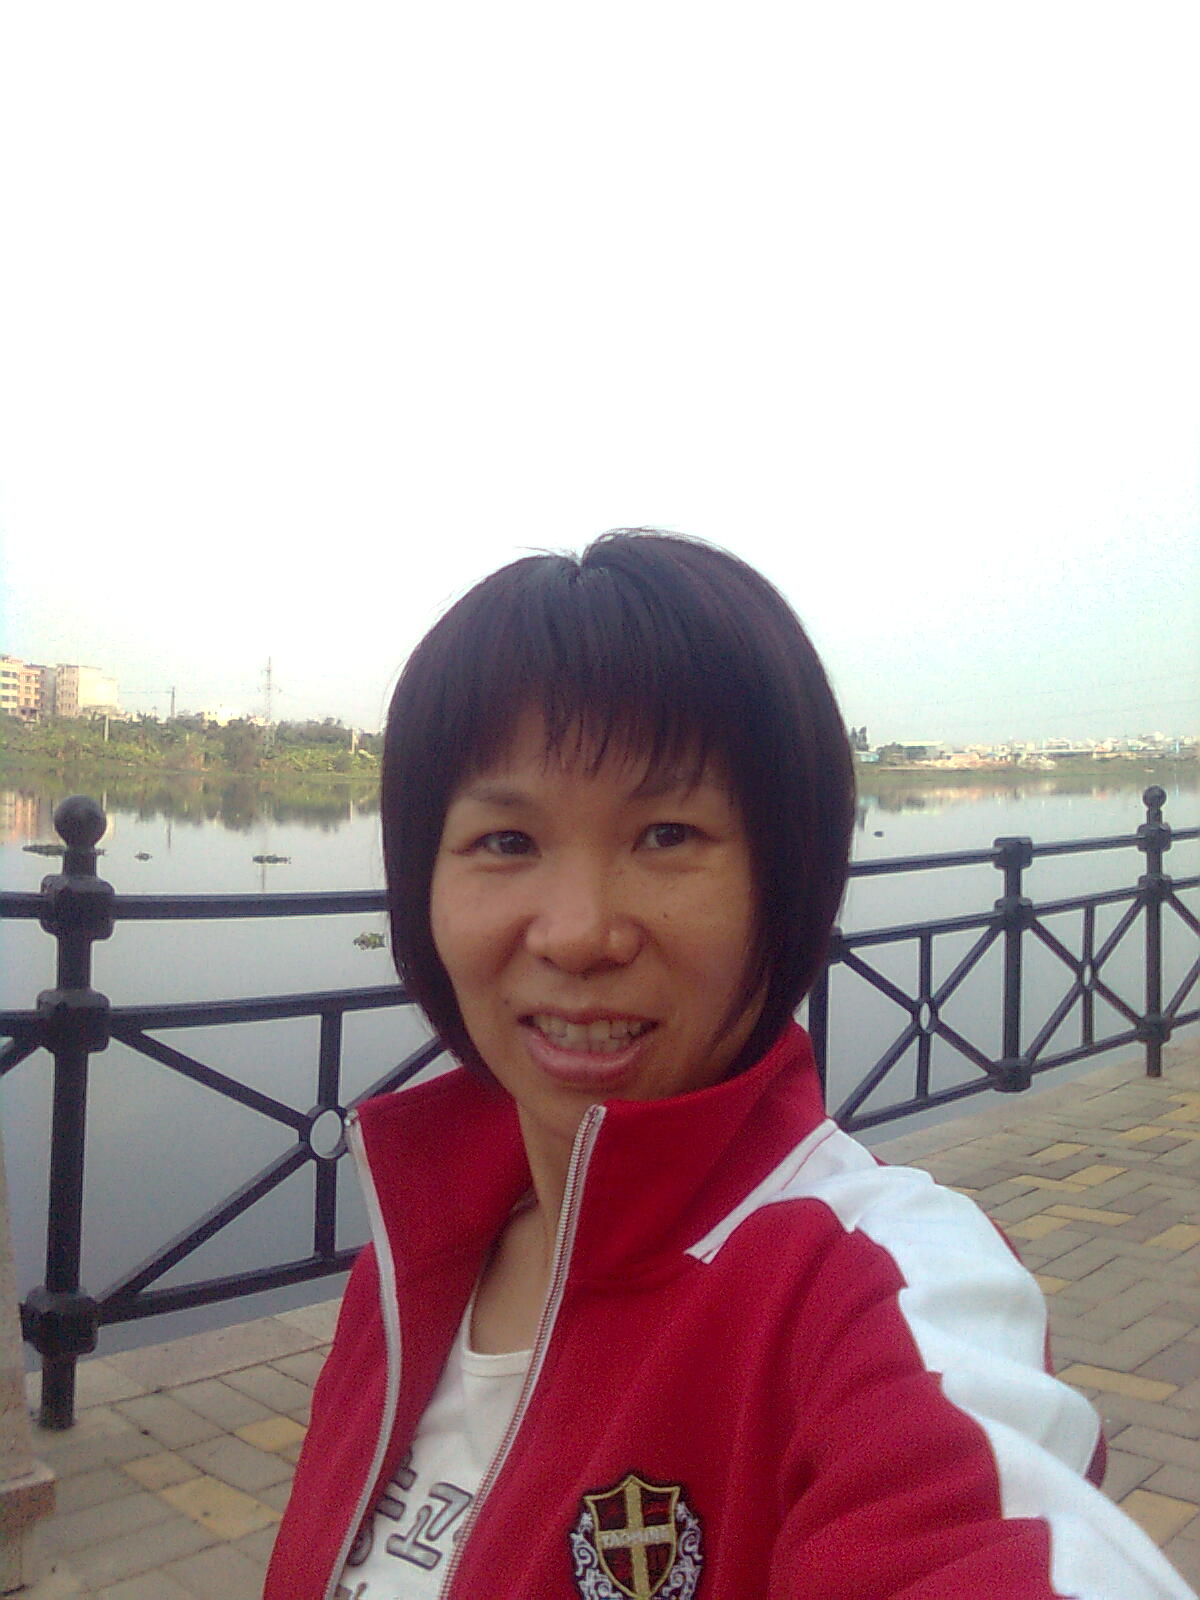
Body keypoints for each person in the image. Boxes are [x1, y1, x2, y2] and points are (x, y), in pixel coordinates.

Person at [266, 530, 1194, 1600]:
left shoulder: (871, 1287)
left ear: (783, 878)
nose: (579, 933)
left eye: (667, 834)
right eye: (506, 842)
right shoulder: (412, 1258)